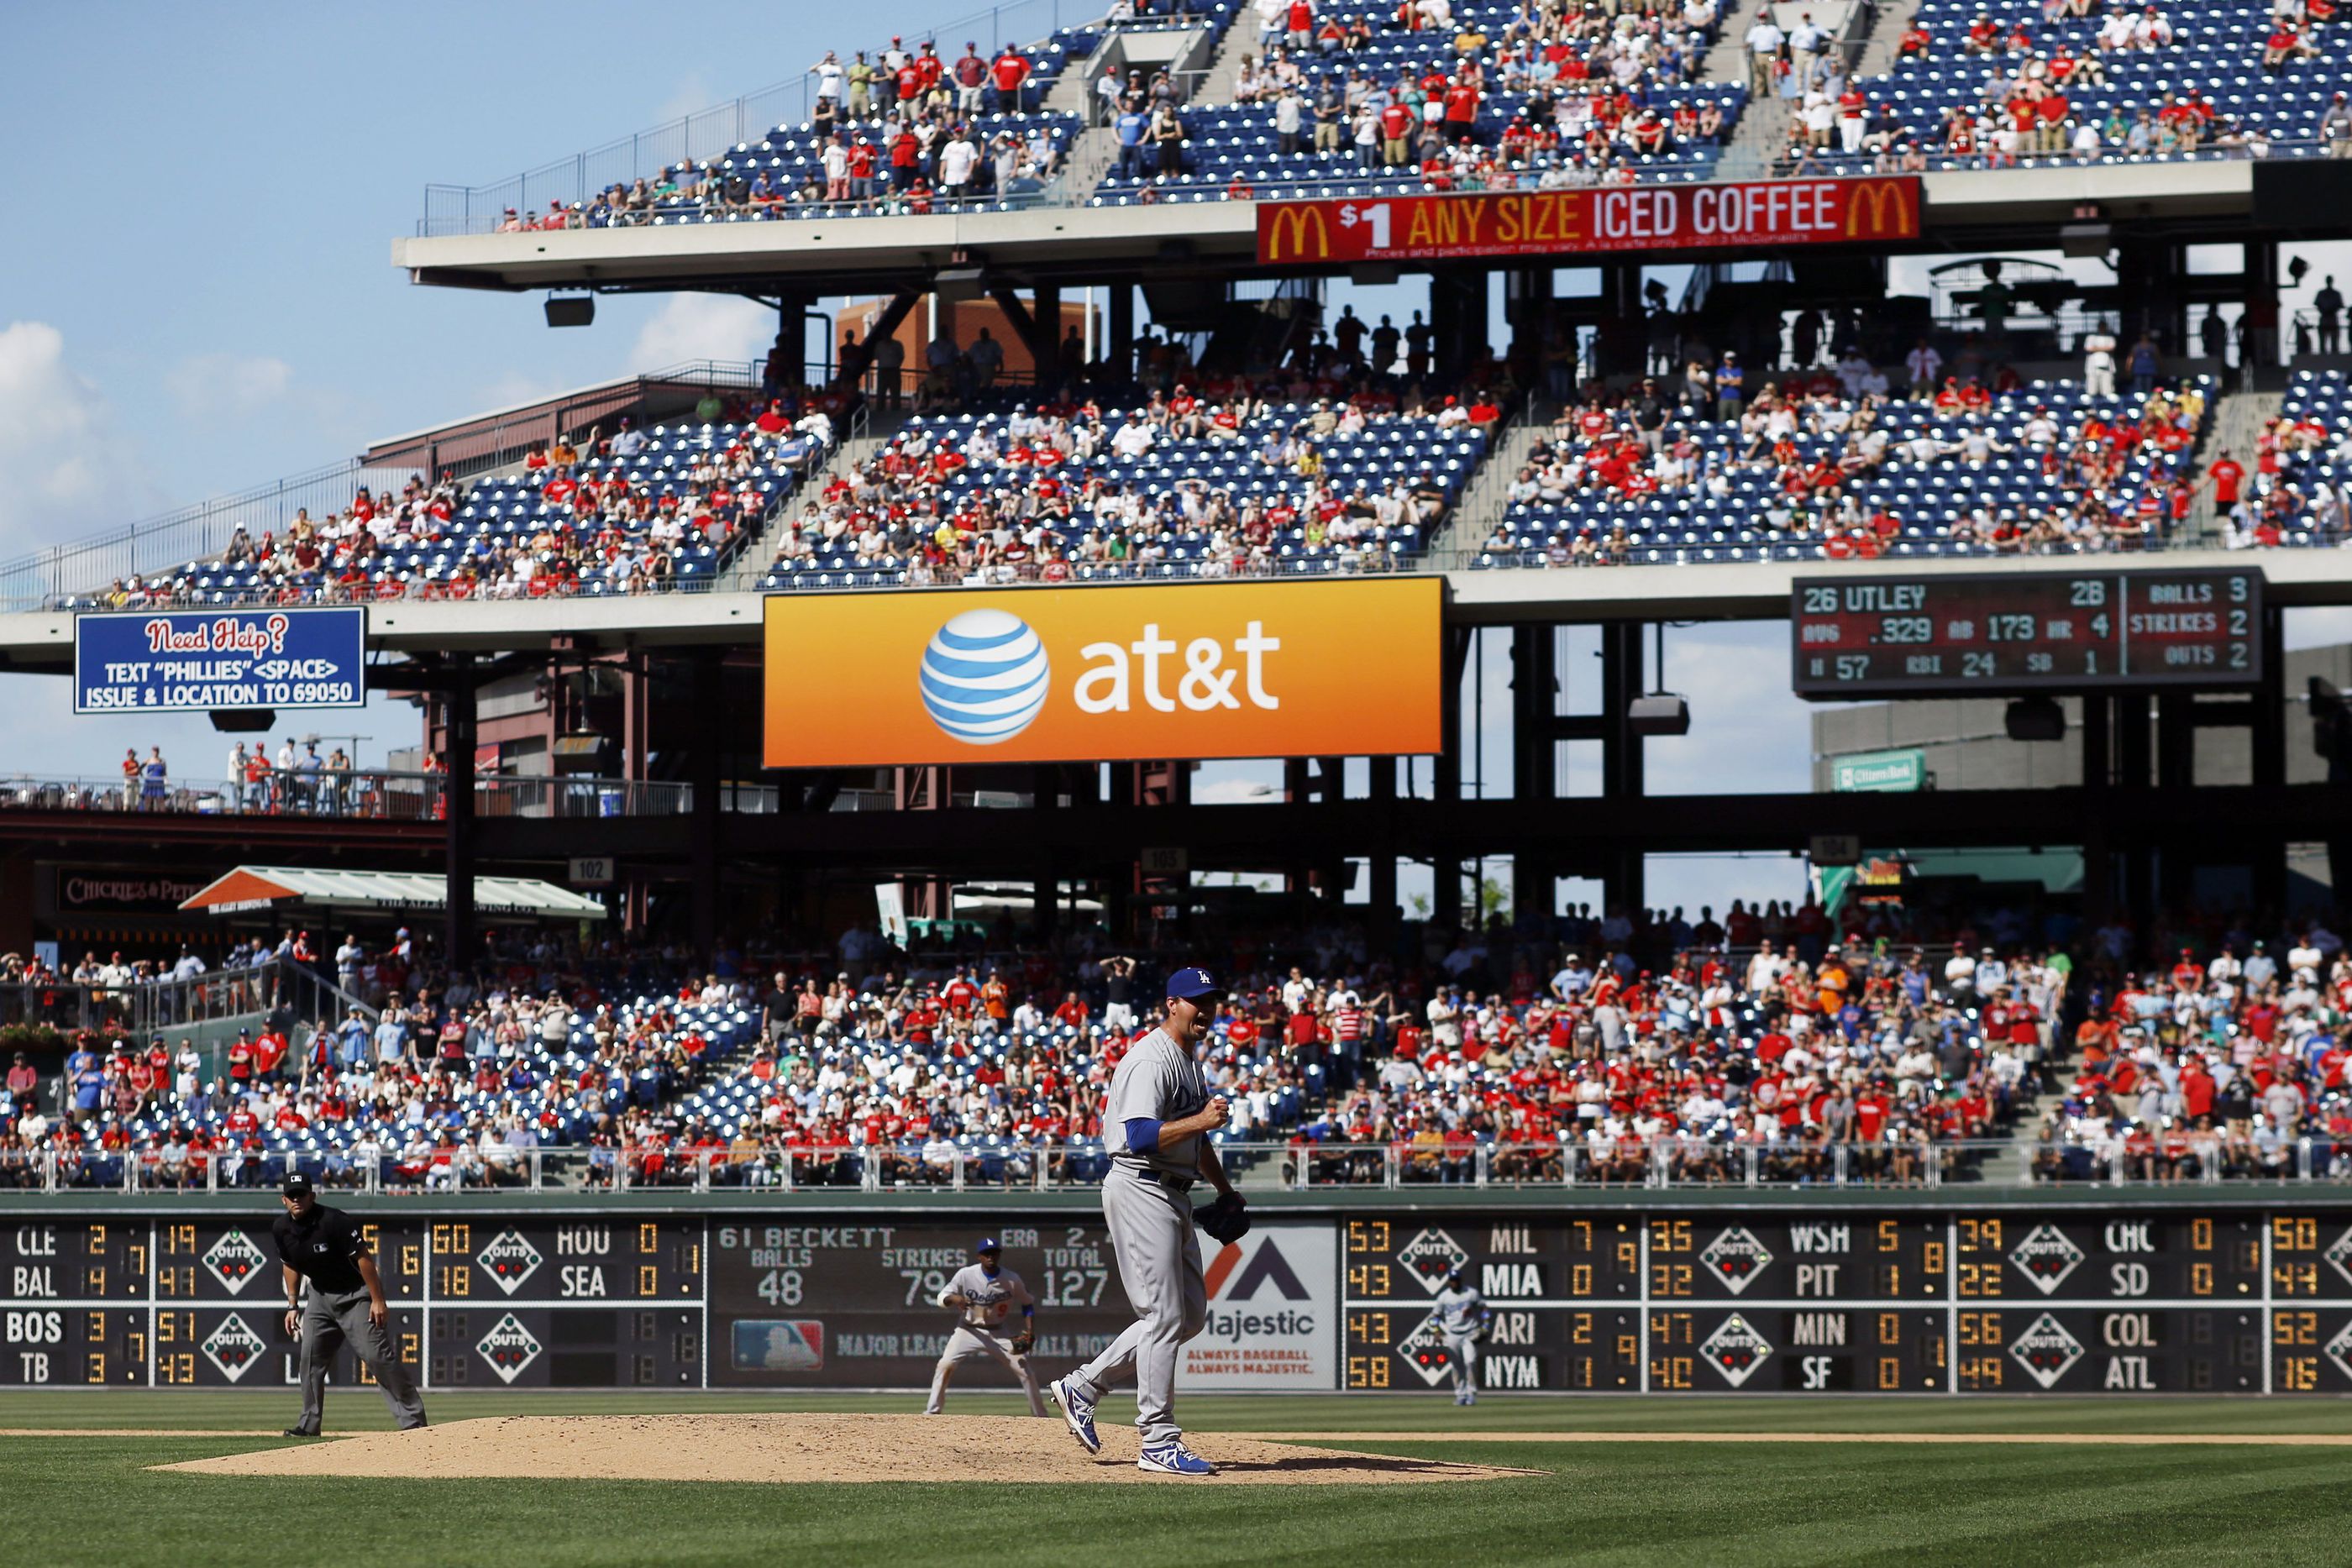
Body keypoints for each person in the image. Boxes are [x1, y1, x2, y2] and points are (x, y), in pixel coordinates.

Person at [1047, 967, 1237, 1476]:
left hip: (1175, 1193)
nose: (1207, 1010)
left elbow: (1196, 1142)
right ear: (1172, 1003)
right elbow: (1139, 1135)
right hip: (1140, 1183)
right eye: (1198, 1000)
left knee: (1187, 1316)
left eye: (1213, 1000)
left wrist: (1225, 1190)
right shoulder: (1149, 1059)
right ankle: (1157, 1439)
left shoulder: (1188, 1062)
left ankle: (1083, 1386)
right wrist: (1201, 1121)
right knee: (1163, 1316)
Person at [273, 1172, 426, 1435]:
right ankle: (309, 1426)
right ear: (284, 1200)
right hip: (320, 1298)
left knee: (377, 1356)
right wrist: (292, 1304)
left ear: (312, 1196)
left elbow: (364, 1259)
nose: (297, 1199)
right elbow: (289, 1265)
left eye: (302, 1194)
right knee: (309, 1361)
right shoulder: (281, 1229)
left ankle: (414, 1422)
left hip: (355, 1295)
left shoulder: (334, 1221)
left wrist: (378, 1299)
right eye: (292, 1195)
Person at [926, 1236, 1047, 1416]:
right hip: (968, 1330)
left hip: (998, 1332)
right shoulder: (965, 1274)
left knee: (1025, 1371)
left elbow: (1027, 1303)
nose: (990, 1256)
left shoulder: (1011, 1279)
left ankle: (1041, 1417)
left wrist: (1030, 1330)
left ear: (999, 1255)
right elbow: (942, 1297)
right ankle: (932, 1413)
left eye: (993, 1253)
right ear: (979, 1257)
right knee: (945, 1365)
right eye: (986, 1253)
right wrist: (955, 1298)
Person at [1431, 1264, 1491, 1406]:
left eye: (1456, 1280)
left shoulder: (1471, 1293)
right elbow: (1435, 1316)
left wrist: (1486, 1326)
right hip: (1452, 1334)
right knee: (1456, 1366)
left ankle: (1471, 1393)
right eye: (1452, 1280)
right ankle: (1460, 1394)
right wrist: (1436, 1332)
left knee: (1470, 1362)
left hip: (1470, 1333)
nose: (1454, 1282)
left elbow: (1484, 1308)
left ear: (1460, 1280)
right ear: (1448, 1281)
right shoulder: (1443, 1297)